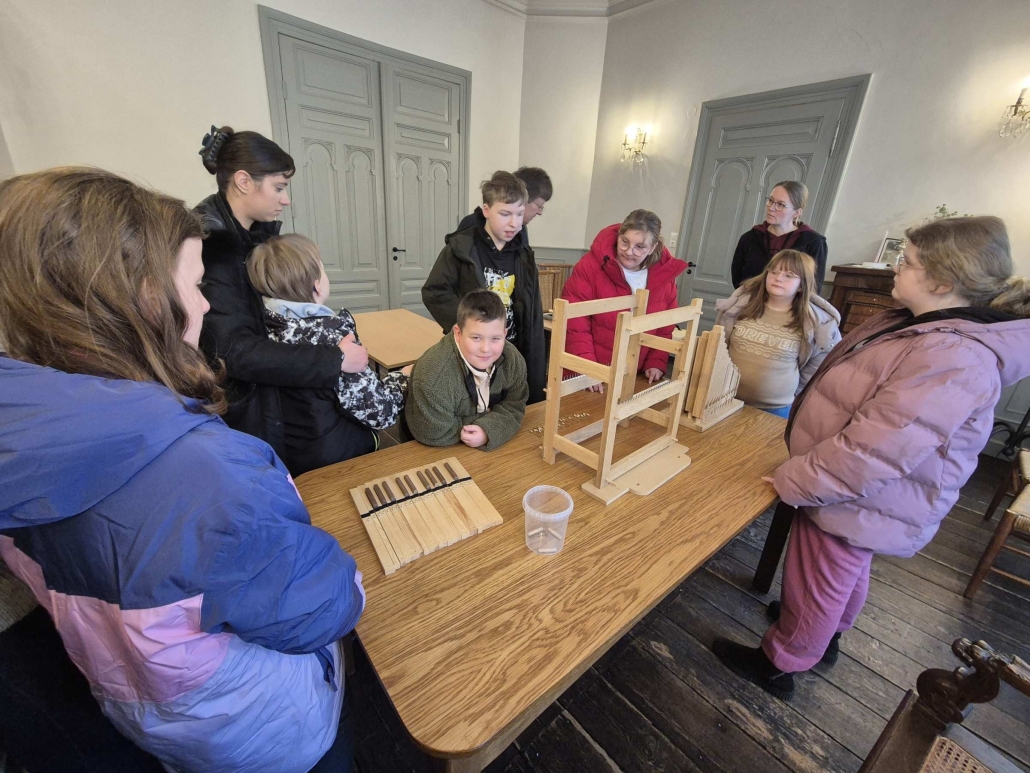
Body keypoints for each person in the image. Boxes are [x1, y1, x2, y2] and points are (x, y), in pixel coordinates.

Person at [0, 168, 365, 771]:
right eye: (195, 286)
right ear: (143, 298)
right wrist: (347, 576)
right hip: (261, 719)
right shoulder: (212, 474)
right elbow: (318, 609)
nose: (205, 304)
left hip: (140, 702)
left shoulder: (17, 439)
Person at [713, 216, 1030, 701]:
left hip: (854, 491)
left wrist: (797, 478)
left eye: (908, 261)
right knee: (844, 569)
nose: (896, 267)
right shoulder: (926, 325)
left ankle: (780, 662)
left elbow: (874, 450)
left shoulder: (953, 354)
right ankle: (827, 634)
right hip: (861, 492)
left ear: (942, 282)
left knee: (817, 578)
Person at [195, 125, 362, 465]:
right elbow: (234, 351)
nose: (285, 199)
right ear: (244, 182)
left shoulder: (251, 236)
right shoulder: (214, 250)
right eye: (279, 188)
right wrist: (335, 360)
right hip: (248, 408)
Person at [247, 233, 410, 475]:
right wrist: (402, 378)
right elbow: (380, 413)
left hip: (288, 457)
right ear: (317, 285)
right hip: (341, 461)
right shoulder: (332, 338)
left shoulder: (258, 328)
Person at [422, 171, 546, 403]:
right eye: (505, 214)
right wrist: (468, 327)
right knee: (471, 407)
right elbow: (435, 292)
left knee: (507, 408)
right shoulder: (462, 248)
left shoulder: (523, 255)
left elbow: (532, 313)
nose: (514, 223)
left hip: (510, 351)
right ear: (486, 210)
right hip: (474, 351)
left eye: (520, 214)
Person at [561, 209, 688, 390]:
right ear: (618, 236)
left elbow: (664, 326)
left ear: (653, 247)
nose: (629, 251)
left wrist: (656, 361)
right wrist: (587, 370)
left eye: (640, 247)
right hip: (590, 375)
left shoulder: (664, 276)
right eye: (624, 242)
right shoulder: (590, 266)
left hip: (634, 375)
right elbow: (575, 322)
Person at [715, 250, 841, 418]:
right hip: (724, 399)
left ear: (802, 285)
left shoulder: (818, 323)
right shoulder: (737, 307)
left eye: (789, 275)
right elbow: (717, 346)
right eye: (774, 272)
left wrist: (796, 393)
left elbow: (817, 367)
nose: (778, 278)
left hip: (775, 409)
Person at [406, 289, 528, 450]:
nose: (486, 349)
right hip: (430, 450)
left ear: (505, 334)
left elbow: (515, 405)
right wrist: (490, 419)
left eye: (495, 338)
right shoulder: (433, 376)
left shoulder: (513, 360)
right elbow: (432, 432)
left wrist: (487, 430)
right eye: (476, 338)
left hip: (487, 450)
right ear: (458, 333)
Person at [731, 181, 828, 292]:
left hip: (791, 303)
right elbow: (738, 279)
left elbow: (813, 287)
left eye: (780, 205)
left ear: (797, 213)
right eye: (771, 200)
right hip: (750, 300)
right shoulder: (749, 238)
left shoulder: (813, 242)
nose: (771, 208)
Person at [457, 166, 552, 244]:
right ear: (525, 198)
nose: (540, 212)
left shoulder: (520, 229)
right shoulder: (471, 224)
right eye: (539, 206)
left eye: (519, 214)